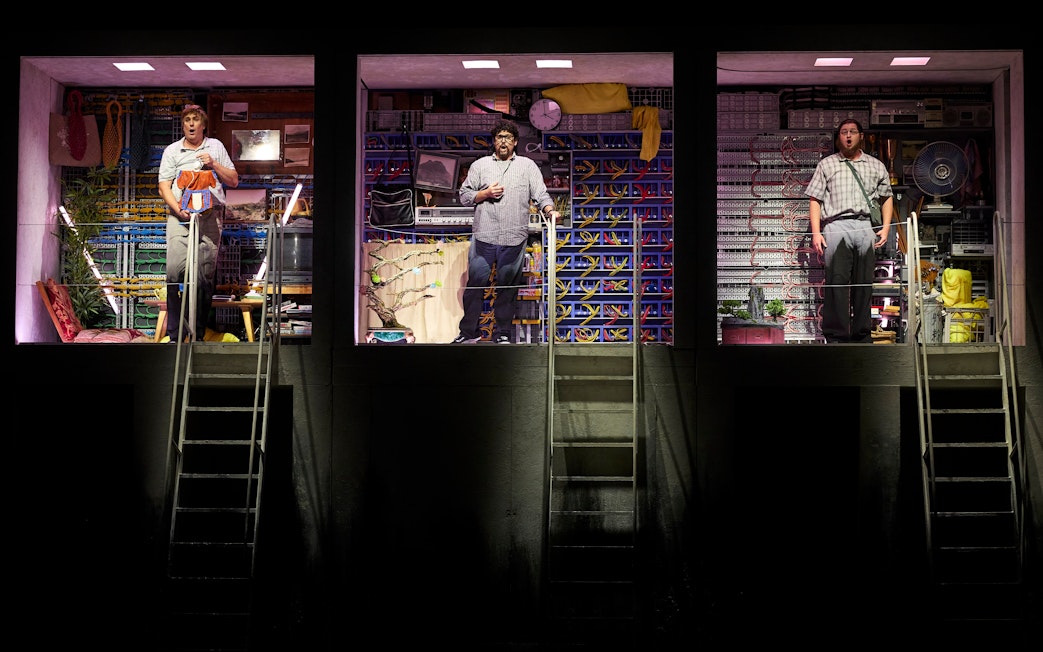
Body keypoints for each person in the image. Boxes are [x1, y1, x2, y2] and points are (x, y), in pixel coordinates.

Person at [452, 119, 560, 344]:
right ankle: (468, 333)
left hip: (514, 239)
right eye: (499, 137)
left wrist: (550, 211)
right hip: (484, 237)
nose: (503, 141)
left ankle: (502, 333)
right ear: (494, 141)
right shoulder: (480, 165)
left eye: (508, 138)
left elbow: (541, 194)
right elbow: (464, 195)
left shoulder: (527, 166)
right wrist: (485, 194)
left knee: (507, 289)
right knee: (475, 286)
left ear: (515, 142)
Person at [805, 118, 893, 344]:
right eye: (844, 132)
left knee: (864, 282)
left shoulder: (876, 165)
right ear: (838, 137)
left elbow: (886, 198)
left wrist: (885, 228)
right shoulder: (827, 164)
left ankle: (862, 334)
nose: (848, 135)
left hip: (864, 225)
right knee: (836, 281)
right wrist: (816, 232)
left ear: (861, 136)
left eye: (853, 131)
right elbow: (815, 199)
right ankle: (836, 335)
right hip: (836, 225)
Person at [158, 104, 239, 341]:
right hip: (180, 217)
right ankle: (175, 334)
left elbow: (233, 180)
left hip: (210, 216)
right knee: (174, 271)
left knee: (204, 275)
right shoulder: (172, 151)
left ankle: (198, 334)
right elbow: (164, 186)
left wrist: (213, 164)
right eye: (187, 120)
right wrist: (178, 209)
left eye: (195, 120)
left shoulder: (215, 147)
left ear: (203, 125)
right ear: (183, 125)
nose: (191, 124)